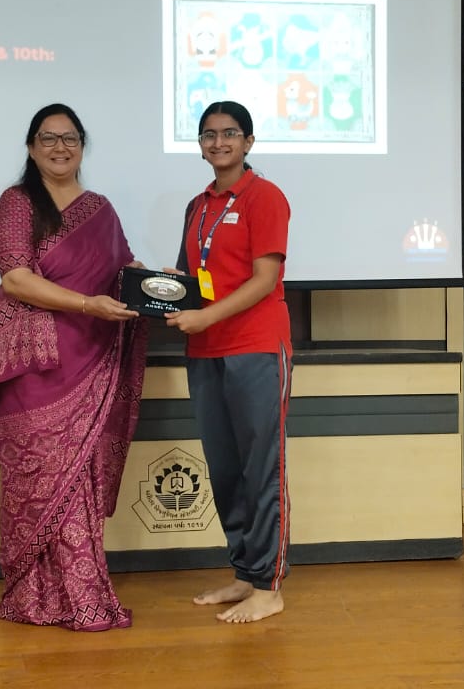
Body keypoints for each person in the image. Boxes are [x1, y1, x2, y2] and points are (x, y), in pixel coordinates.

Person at [0, 103, 146, 631]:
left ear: (82, 146)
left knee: (80, 480)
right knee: (39, 479)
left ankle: (82, 595)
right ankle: (32, 596)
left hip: (91, 359)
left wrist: (155, 284)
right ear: (32, 148)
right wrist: (86, 304)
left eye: (70, 138)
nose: (60, 147)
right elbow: (16, 279)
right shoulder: (17, 203)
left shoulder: (100, 209)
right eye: (48, 138)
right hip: (34, 367)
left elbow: (122, 272)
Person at [165, 100, 292, 624]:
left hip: (256, 347)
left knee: (261, 470)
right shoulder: (198, 206)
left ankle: (269, 586)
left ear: (249, 141)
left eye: (230, 133)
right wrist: (150, 284)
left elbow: (265, 280)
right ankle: (244, 573)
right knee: (225, 470)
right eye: (209, 135)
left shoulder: (265, 197)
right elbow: (189, 279)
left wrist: (206, 316)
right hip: (206, 349)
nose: (219, 142)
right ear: (200, 145)